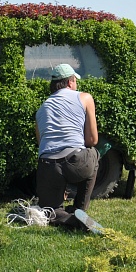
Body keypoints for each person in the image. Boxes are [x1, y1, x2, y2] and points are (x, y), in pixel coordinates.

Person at [34, 63, 100, 215]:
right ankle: (79, 210)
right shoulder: (85, 98)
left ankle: (66, 218)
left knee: (51, 212)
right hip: (76, 162)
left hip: (47, 167)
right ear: (70, 82)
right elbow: (92, 140)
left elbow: (42, 145)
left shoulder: (42, 109)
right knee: (94, 153)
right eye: (75, 81)